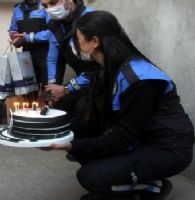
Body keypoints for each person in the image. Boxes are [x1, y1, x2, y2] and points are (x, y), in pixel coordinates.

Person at [43, 11, 194, 200]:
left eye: (78, 39)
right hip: (141, 137)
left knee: (90, 177)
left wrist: (70, 146)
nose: (76, 46)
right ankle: (125, 178)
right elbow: (94, 119)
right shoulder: (108, 68)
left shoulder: (140, 79)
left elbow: (124, 137)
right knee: (81, 139)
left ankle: (153, 186)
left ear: (95, 41)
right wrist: (55, 133)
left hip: (168, 149)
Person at [9, 0, 50, 92]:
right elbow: (13, 30)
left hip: (48, 56)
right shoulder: (17, 9)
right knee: (28, 92)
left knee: (48, 91)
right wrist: (14, 39)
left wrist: (28, 38)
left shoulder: (46, 5)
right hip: (26, 57)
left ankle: (47, 105)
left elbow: (52, 32)